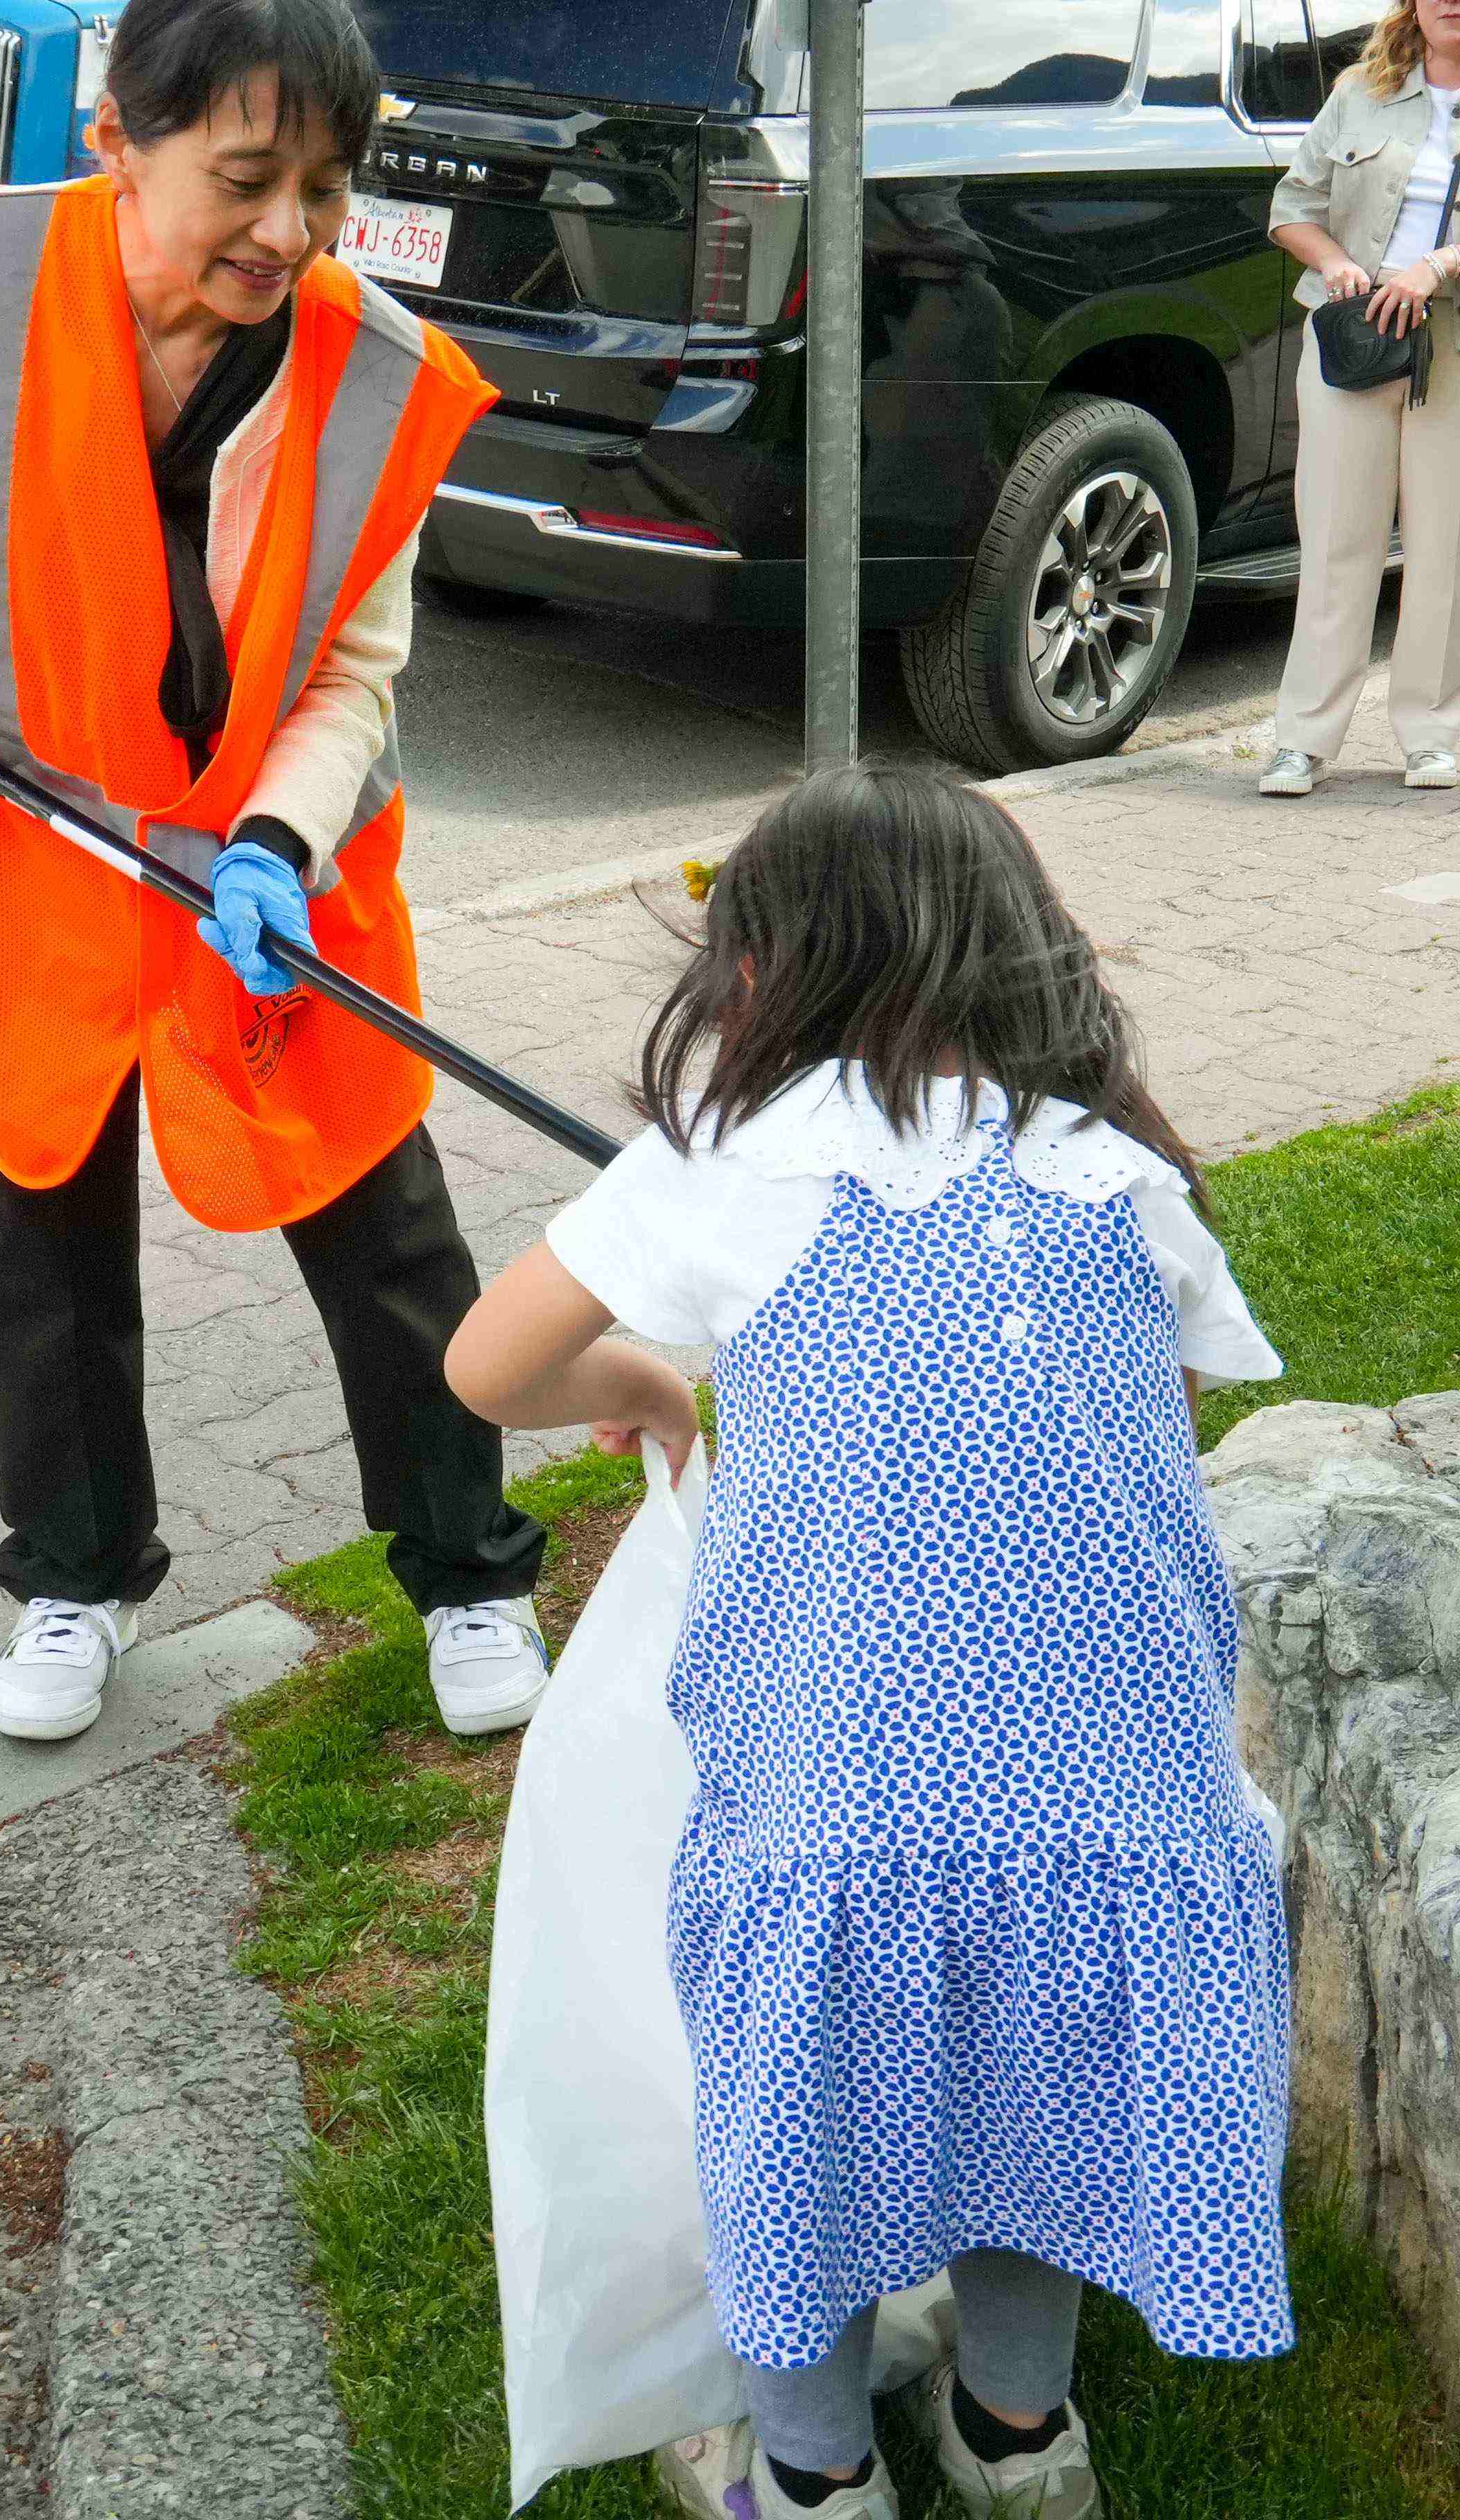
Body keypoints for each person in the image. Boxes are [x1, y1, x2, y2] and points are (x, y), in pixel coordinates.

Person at [0, 0, 547, 1748]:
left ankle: (472, 1574)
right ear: (117, 136)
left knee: (376, 1215)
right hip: (28, 845)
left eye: (324, 188)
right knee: (37, 1238)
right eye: (244, 181)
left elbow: (357, 671)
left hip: (263, 872)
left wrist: (274, 841)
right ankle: (73, 1583)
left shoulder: (379, 374)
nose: (288, 233)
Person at [447, 764, 1292, 2520]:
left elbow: (486, 1366)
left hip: (837, 1792)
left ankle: (815, 2475)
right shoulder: (1120, 1170)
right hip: (1114, 1798)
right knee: (1039, 2091)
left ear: (764, 970)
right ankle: (1014, 2437)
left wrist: (651, 1384)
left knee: (809, 2120)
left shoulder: (720, 1169)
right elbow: (1163, 1402)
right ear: (1024, 951)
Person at [1264, 0, 1460, 797]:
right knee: (1337, 542)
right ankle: (1303, 740)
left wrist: (1435, 267)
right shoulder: (1360, 93)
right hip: (1351, 342)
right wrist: (1341, 265)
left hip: (1450, 344)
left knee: (1442, 545)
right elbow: (1291, 207)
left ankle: (1429, 732)